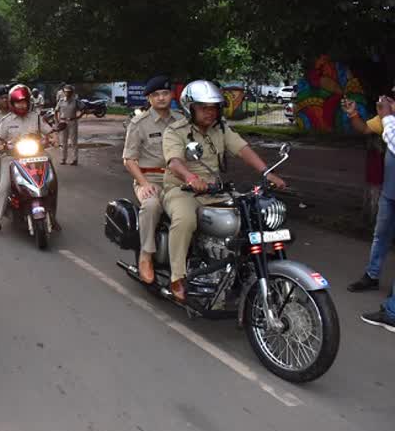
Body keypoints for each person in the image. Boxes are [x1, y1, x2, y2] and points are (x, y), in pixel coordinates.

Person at [162, 80, 286, 301]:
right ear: (190, 108)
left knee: (252, 213)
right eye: (204, 108)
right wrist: (191, 177)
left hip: (215, 190)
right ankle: (177, 277)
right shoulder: (175, 131)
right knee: (184, 220)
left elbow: (242, 149)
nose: (210, 113)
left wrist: (267, 172)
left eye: (214, 108)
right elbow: (174, 162)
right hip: (182, 190)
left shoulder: (220, 129)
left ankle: (243, 268)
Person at [122, 76, 184, 283]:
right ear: (149, 98)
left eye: (165, 93)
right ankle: (146, 256)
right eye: (156, 95)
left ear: (172, 95)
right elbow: (129, 160)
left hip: (177, 180)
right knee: (151, 206)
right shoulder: (139, 123)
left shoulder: (181, 121)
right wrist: (144, 183)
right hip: (150, 178)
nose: (161, 98)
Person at [0, 84, 58, 236]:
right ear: (12, 103)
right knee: (4, 186)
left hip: (36, 154)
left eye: (24, 102)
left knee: (51, 181)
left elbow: (50, 132)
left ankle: (52, 215)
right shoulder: (6, 121)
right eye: (18, 102)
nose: (22, 105)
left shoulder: (36, 118)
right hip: (13, 157)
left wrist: (53, 138)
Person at [360, 95, 395, 331]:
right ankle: (371, 276)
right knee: (380, 234)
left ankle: (392, 313)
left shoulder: (390, 119)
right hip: (390, 193)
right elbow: (365, 128)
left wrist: (388, 118)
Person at [55, 84, 84, 165]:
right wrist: (57, 121)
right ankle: (63, 159)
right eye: (66, 92)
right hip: (63, 122)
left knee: (73, 141)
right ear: (64, 92)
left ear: (72, 92)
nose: (68, 93)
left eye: (69, 92)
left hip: (72, 122)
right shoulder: (61, 101)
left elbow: (83, 109)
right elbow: (56, 111)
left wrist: (78, 117)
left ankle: (75, 159)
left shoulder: (76, 101)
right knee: (63, 142)